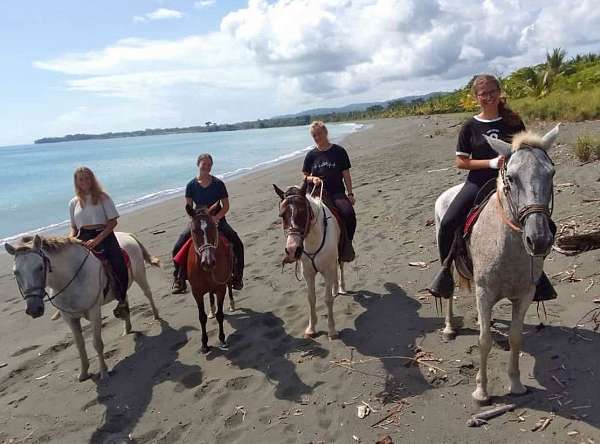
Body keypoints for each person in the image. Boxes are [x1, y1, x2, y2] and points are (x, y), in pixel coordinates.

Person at [427, 74, 556, 301]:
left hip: (511, 182)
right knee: (448, 222)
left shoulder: (513, 122)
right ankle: (446, 271)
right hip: (478, 182)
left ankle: (538, 274)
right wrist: (491, 163)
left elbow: (528, 153)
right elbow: (460, 161)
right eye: (482, 94)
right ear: (476, 97)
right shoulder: (470, 126)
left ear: (499, 92)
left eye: (491, 92)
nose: (488, 97)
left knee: (546, 224)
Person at [171, 153, 244, 293]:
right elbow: (189, 208)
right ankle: (179, 279)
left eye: (209, 165)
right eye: (204, 164)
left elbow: (226, 206)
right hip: (198, 222)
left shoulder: (218, 184)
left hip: (217, 220)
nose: (207, 167)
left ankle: (237, 276)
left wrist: (217, 218)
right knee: (177, 247)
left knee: (238, 243)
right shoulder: (191, 185)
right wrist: (196, 220)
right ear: (198, 164)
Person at [69, 167, 129, 318]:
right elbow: (74, 227)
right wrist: (70, 240)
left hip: (104, 234)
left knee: (118, 262)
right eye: (81, 179)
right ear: (76, 182)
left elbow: (113, 222)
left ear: (92, 179)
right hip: (82, 235)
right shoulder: (73, 202)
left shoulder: (103, 197)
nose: (84, 182)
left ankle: (121, 299)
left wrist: (97, 239)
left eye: (87, 178)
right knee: (68, 266)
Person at [302, 121, 356, 262]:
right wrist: (312, 178)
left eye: (319, 134)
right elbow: (305, 176)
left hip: (337, 192)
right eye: (314, 135)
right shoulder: (311, 155)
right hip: (317, 193)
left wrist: (350, 194)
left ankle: (346, 244)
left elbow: (346, 174)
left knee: (349, 214)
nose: (317, 137)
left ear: (326, 133)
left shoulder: (339, 151)